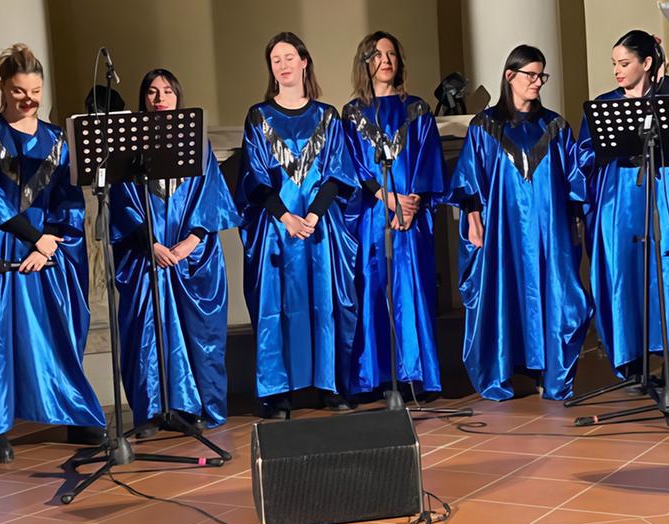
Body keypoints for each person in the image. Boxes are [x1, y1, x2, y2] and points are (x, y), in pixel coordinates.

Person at [0, 44, 104, 463]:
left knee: (54, 331)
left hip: (46, 245)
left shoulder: (56, 139)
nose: (29, 100)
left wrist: (49, 244)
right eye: (19, 91)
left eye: (35, 91)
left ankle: (73, 414)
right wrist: (34, 237)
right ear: (2, 87)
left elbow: (68, 199)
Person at [447, 45, 592, 400]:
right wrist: (473, 218)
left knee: (554, 293)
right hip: (503, 231)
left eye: (542, 75)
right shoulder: (485, 126)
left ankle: (549, 372)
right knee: (502, 292)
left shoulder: (554, 125)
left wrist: (575, 219)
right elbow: (469, 179)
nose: (537, 82)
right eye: (531, 75)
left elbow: (574, 178)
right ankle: (501, 371)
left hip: (549, 231)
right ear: (510, 75)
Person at [109, 69, 239, 437]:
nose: (160, 98)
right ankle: (151, 410)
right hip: (145, 255)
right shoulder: (128, 147)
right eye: (151, 92)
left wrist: (188, 244)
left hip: (191, 258)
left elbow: (210, 200)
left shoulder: (198, 144)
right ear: (143, 100)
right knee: (146, 333)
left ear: (178, 97)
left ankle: (194, 406)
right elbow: (122, 202)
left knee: (198, 333)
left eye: (167, 90)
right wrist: (150, 245)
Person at [236, 32, 360, 417]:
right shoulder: (259, 116)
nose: (283, 65)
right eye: (276, 60)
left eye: (289, 57)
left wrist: (312, 215)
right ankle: (278, 392)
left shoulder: (327, 116)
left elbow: (338, 174)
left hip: (319, 228)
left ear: (304, 61)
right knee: (277, 306)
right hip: (278, 230)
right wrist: (286, 216)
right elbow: (252, 178)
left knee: (327, 305)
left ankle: (330, 385)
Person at [577, 30, 669, 384]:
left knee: (665, 271)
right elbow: (584, 154)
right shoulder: (604, 103)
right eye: (614, 63)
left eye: (625, 63)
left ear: (647, 64)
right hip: (619, 199)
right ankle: (632, 362)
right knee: (624, 275)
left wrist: (665, 84)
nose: (617, 70)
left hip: (659, 191)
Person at [342, 31, 445, 399]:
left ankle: (416, 373)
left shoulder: (417, 108)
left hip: (411, 217)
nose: (385, 60)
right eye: (377, 54)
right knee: (374, 287)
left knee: (412, 288)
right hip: (374, 216)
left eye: (391, 54)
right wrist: (386, 198)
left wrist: (410, 202)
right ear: (365, 62)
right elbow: (352, 166)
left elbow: (428, 157)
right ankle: (376, 376)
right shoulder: (353, 113)